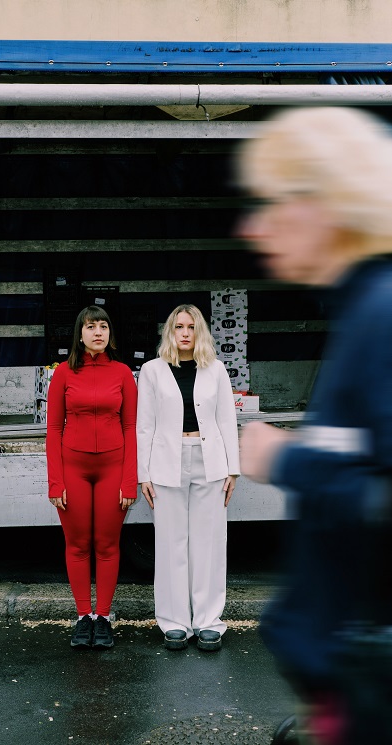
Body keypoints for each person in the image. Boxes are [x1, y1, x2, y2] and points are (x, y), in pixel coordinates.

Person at [237, 106, 392, 744]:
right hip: (345, 692)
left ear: (331, 205)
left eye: (274, 203)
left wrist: (287, 461)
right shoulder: (359, 310)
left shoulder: (382, 314)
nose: (253, 227)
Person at [137, 304, 240, 652]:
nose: (185, 333)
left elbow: (227, 421)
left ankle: (208, 621)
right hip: (166, 462)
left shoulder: (216, 369)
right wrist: (143, 473)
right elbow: (144, 425)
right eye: (178, 326)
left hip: (210, 461)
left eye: (191, 327)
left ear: (200, 332)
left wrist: (232, 469)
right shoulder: (152, 371)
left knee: (209, 543)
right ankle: (174, 622)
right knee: (171, 543)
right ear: (170, 331)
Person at [46, 305, 137, 650]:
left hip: (113, 467)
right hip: (74, 469)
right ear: (80, 334)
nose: (98, 332)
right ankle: (83, 616)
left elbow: (131, 427)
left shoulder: (123, 373)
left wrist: (129, 480)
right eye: (90, 327)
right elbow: (53, 430)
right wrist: (55, 481)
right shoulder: (63, 374)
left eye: (103, 326)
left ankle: (104, 617)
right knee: (78, 544)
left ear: (110, 333)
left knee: (107, 545)